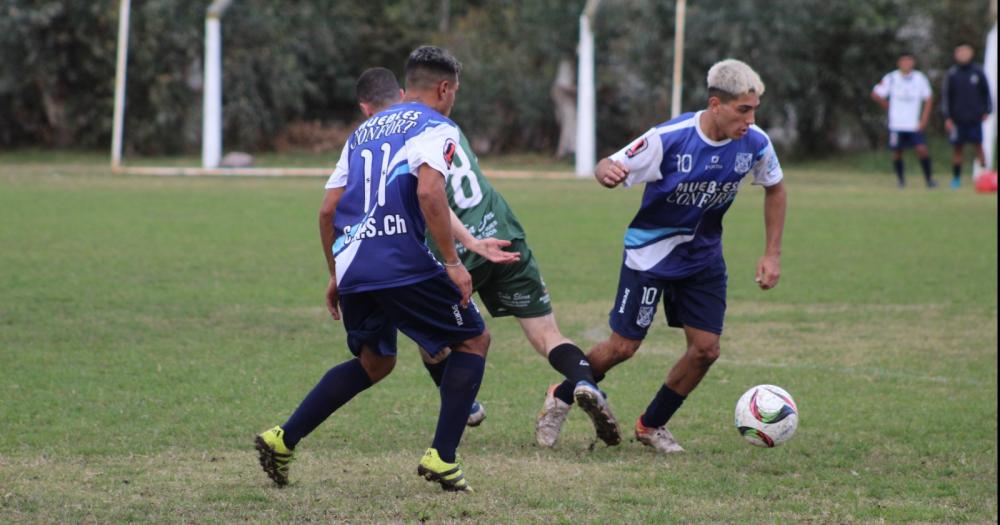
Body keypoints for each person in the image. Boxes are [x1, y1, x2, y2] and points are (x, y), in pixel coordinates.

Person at [332, 67, 619, 447]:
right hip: (500, 233)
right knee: (546, 333)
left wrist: (454, 257)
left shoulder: (408, 131)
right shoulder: (443, 124)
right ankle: (582, 381)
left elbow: (428, 196)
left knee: (432, 333)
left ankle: (463, 407)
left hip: (449, 246)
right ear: (444, 89)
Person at [256, 46, 490, 492]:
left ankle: (283, 439)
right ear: (443, 89)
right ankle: (443, 456)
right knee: (474, 339)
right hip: (400, 259)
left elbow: (328, 210)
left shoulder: (363, 132)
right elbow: (429, 194)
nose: (453, 99)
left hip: (354, 262)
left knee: (375, 361)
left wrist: (335, 274)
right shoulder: (436, 125)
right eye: (454, 92)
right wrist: (454, 263)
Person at [536, 59, 787, 453]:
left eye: (755, 109)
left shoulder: (755, 143)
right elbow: (611, 162)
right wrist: (606, 173)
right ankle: (561, 396)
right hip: (650, 255)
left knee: (706, 349)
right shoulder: (669, 138)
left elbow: (775, 187)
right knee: (622, 348)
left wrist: (772, 253)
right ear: (716, 104)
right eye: (744, 109)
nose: (751, 120)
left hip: (703, 257)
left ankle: (651, 425)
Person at [871, 52, 937, 188]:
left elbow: (929, 98)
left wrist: (923, 119)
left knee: (921, 149)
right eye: (903, 61)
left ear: (913, 63)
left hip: (913, 124)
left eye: (909, 61)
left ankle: (929, 179)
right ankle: (901, 181)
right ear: (899, 63)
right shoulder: (891, 78)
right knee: (897, 152)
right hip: (896, 124)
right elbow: (876, 94)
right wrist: (888, 106)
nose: (906, 64)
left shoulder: (920, 78)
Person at [942, 44, 993, 188]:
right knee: (958, 148)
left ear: (971, 54)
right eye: (960, 52)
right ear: (956, 55)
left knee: (978, 146)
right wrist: (947, 117)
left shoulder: (978, 71)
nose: (963, 55)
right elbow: (947, 97)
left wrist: (987, 110)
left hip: (975, 117)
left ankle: (985, 176)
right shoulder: (952, 74)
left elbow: (986, 93)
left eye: (966, 52)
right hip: (958, 118)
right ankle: (956, 179)